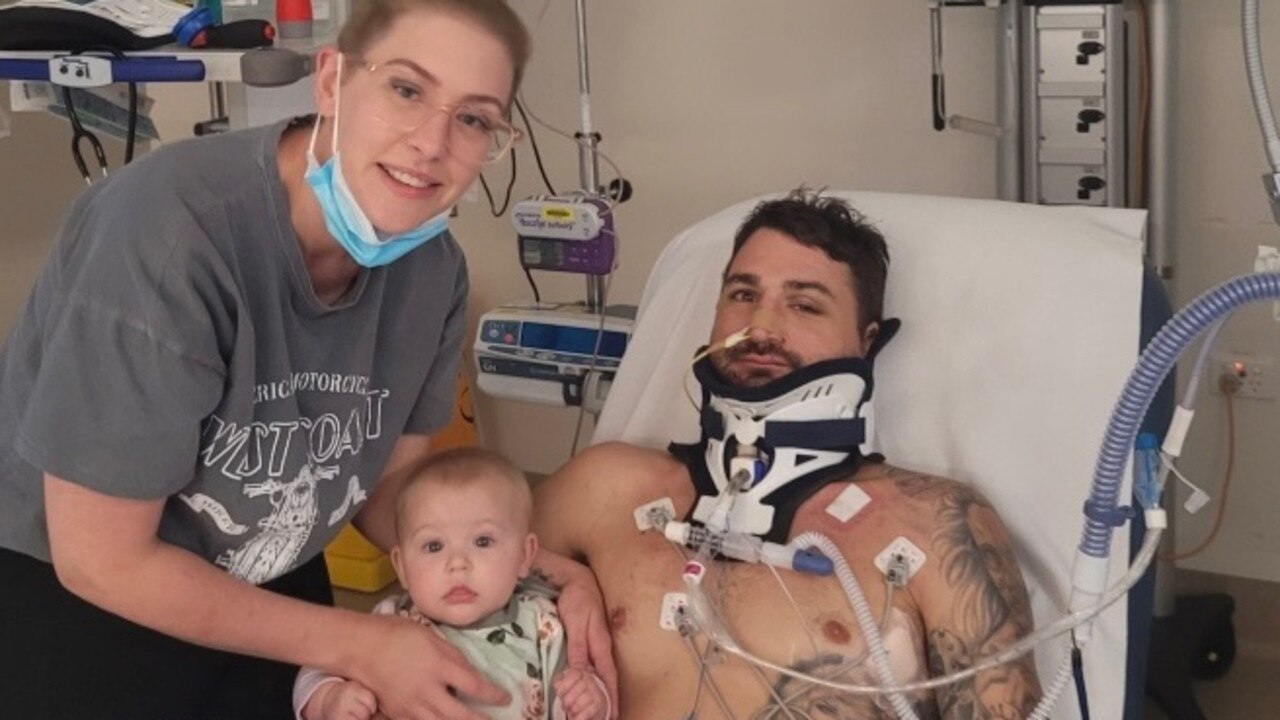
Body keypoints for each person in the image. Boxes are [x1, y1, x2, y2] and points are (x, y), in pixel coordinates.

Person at [0, 1, 614, 718]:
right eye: (406, 90)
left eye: (474, 118)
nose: (432, 142)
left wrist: (534, 569)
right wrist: (358, 644)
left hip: (274, 578)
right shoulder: (169, 238)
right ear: (331, 80)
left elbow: (394, 491)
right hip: (87, 608)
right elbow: (102, 560)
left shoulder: (430, 273)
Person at [534, 189, 1043, 718]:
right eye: (742, 295)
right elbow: (455, 585)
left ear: (866, 341)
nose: (761, 328)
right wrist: (562, 576)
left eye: (804, 304)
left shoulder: (934, 524)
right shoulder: (604, 488)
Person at [295, 448, 610, 720]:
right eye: (434, 546)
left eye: (482, 541)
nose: (457, 563)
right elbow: (316, 670)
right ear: (401, 567)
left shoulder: (544, 625)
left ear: (524, 555)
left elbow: (576, 698)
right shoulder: (391, 622)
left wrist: (591, 700)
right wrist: (328, 700)